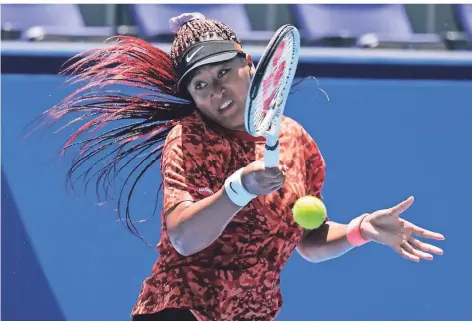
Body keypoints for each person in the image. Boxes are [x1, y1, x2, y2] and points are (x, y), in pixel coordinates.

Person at [37, 12, 445, 321]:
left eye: (224, 73)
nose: (217, 90)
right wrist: (239, 189)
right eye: (201, 85)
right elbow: (183, 238)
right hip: (181, 312)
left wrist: (360, 230)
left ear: (249, 65)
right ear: (193, 99)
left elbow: (308, 241)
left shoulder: (294, 139)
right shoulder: (189, 139)